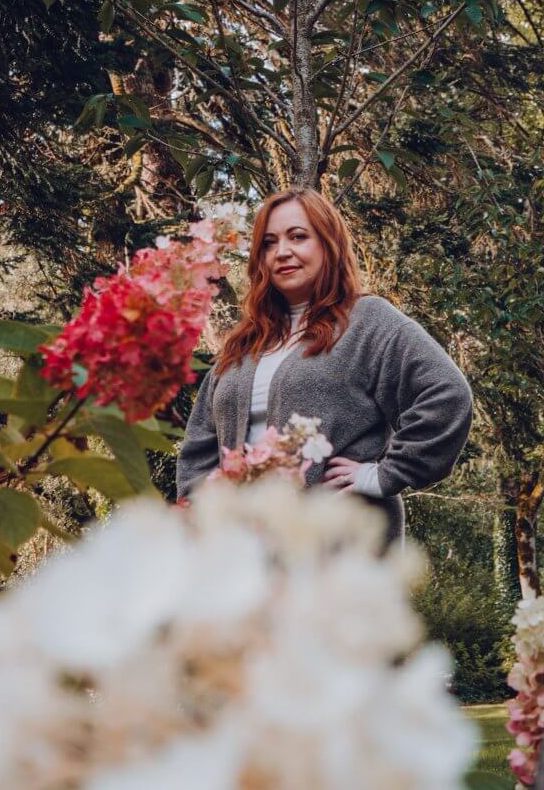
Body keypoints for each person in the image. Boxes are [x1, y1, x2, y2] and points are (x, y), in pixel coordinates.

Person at [175, 186, 473, 552]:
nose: (282, 251)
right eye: (269, 243)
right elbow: (199, 447)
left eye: (298, 236)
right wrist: (202, 520)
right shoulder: (244, 343)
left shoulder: (366, 321)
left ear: (328, 243)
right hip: (246, 560)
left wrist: (384, 475)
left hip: (338, 554)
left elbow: (446, 395)